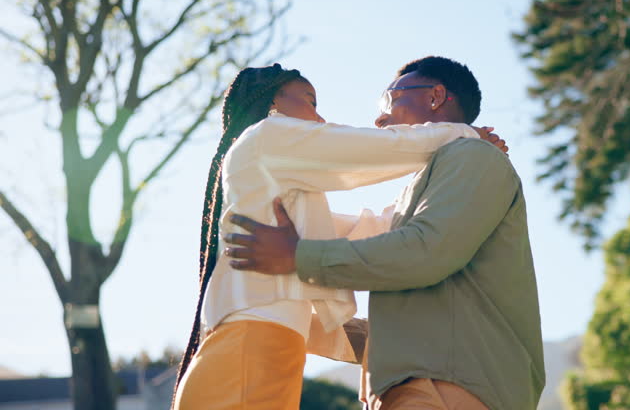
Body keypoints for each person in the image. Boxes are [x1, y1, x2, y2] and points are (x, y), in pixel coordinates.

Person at [173, 63, 505, 409]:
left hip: (255, 352)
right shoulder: (265, 137)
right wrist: (465, 135)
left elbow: (370, 230)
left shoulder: (284, 198)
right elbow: (380, 149)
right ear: (273, 102)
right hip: (247, 353)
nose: (319, 118)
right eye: (310, 101)